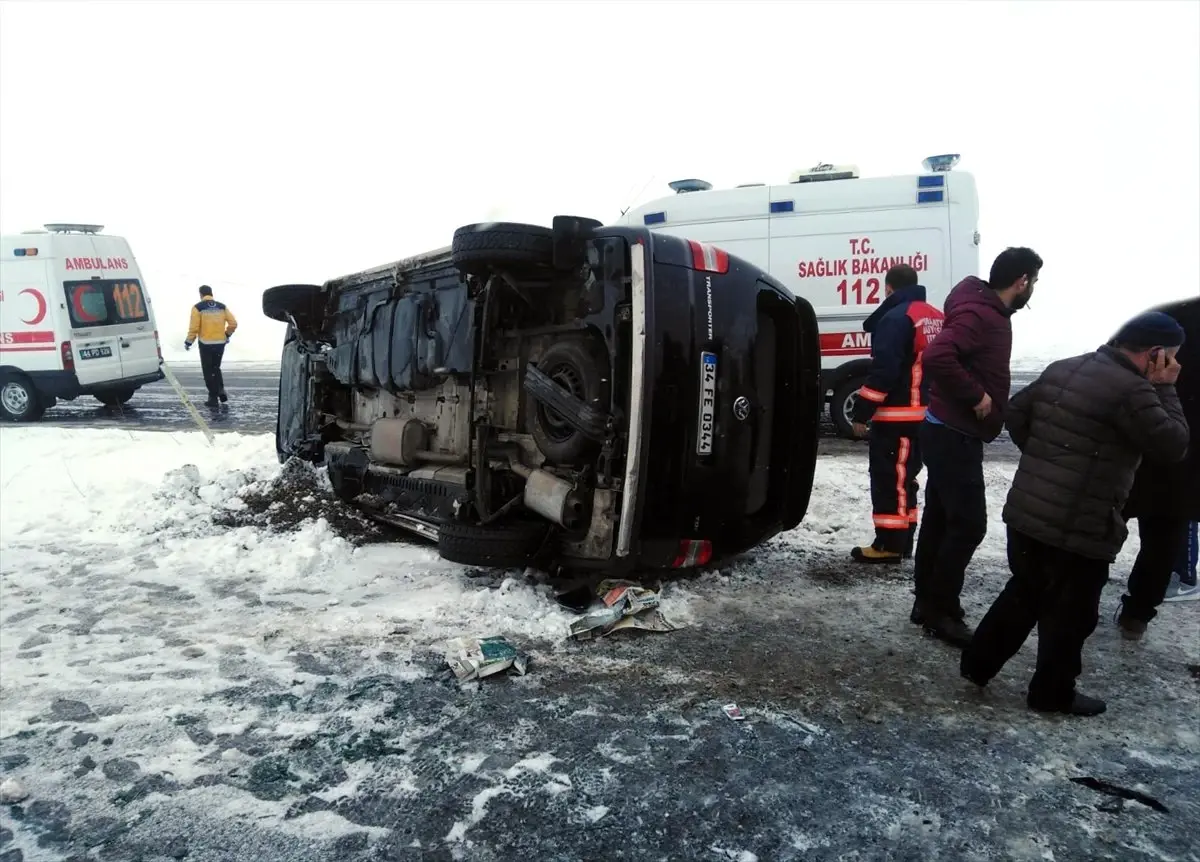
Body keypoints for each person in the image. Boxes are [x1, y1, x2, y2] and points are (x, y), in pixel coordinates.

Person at [961, 312, 1189, 717]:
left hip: (1028, 511)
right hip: (1079, 524)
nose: (1174, 365)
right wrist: (1168, 390)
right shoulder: (1135, 392)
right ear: (1155, 353)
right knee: (1072, 614)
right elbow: (1172, 445)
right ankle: (1051, 693)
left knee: (1026, 589)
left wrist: (1046, 459)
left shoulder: (1066, 367)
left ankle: (978, 664)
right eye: (1170, 357)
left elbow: (1015, 412)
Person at [910, 247, 1043, 646]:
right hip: (953, 433)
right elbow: (938, 355)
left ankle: (926, 603)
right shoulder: (982, 314)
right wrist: (976, 397)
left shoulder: (982, 308)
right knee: (968, 524)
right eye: (1033, 282)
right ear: (1021, 281)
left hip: (946, 430)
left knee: (940, 517)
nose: (1033, 289)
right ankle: (941, 611)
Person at [849, 264, 945, 564]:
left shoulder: (895, 318)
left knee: (889, 480)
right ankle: (904, 541)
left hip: (897, 419)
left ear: (888, 288)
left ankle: (889, 544)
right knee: (907, 481)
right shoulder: (934, 317)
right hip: (925, 417)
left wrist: (861, 414)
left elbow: (884, 372)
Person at [1115, 297, 1200, 634]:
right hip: (1181, 454)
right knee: (1164, 536)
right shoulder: (1172, 316)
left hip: (1133, 440)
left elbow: (1114, 362)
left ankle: (1076, 599)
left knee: (1103, 527)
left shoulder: (1169, 315)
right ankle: (1137, 614)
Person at [185, 285, 238, 408]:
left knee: (208, 371)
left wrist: (189, 341)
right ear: (211, 293)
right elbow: (233, 323)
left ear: (201, 294)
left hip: (206, 344)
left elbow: (194, 328)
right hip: (220, 343)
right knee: (216, 368)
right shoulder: (221, 307)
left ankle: (213, 398)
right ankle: (220, 390)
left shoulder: (198, 308)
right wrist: (226, 334)